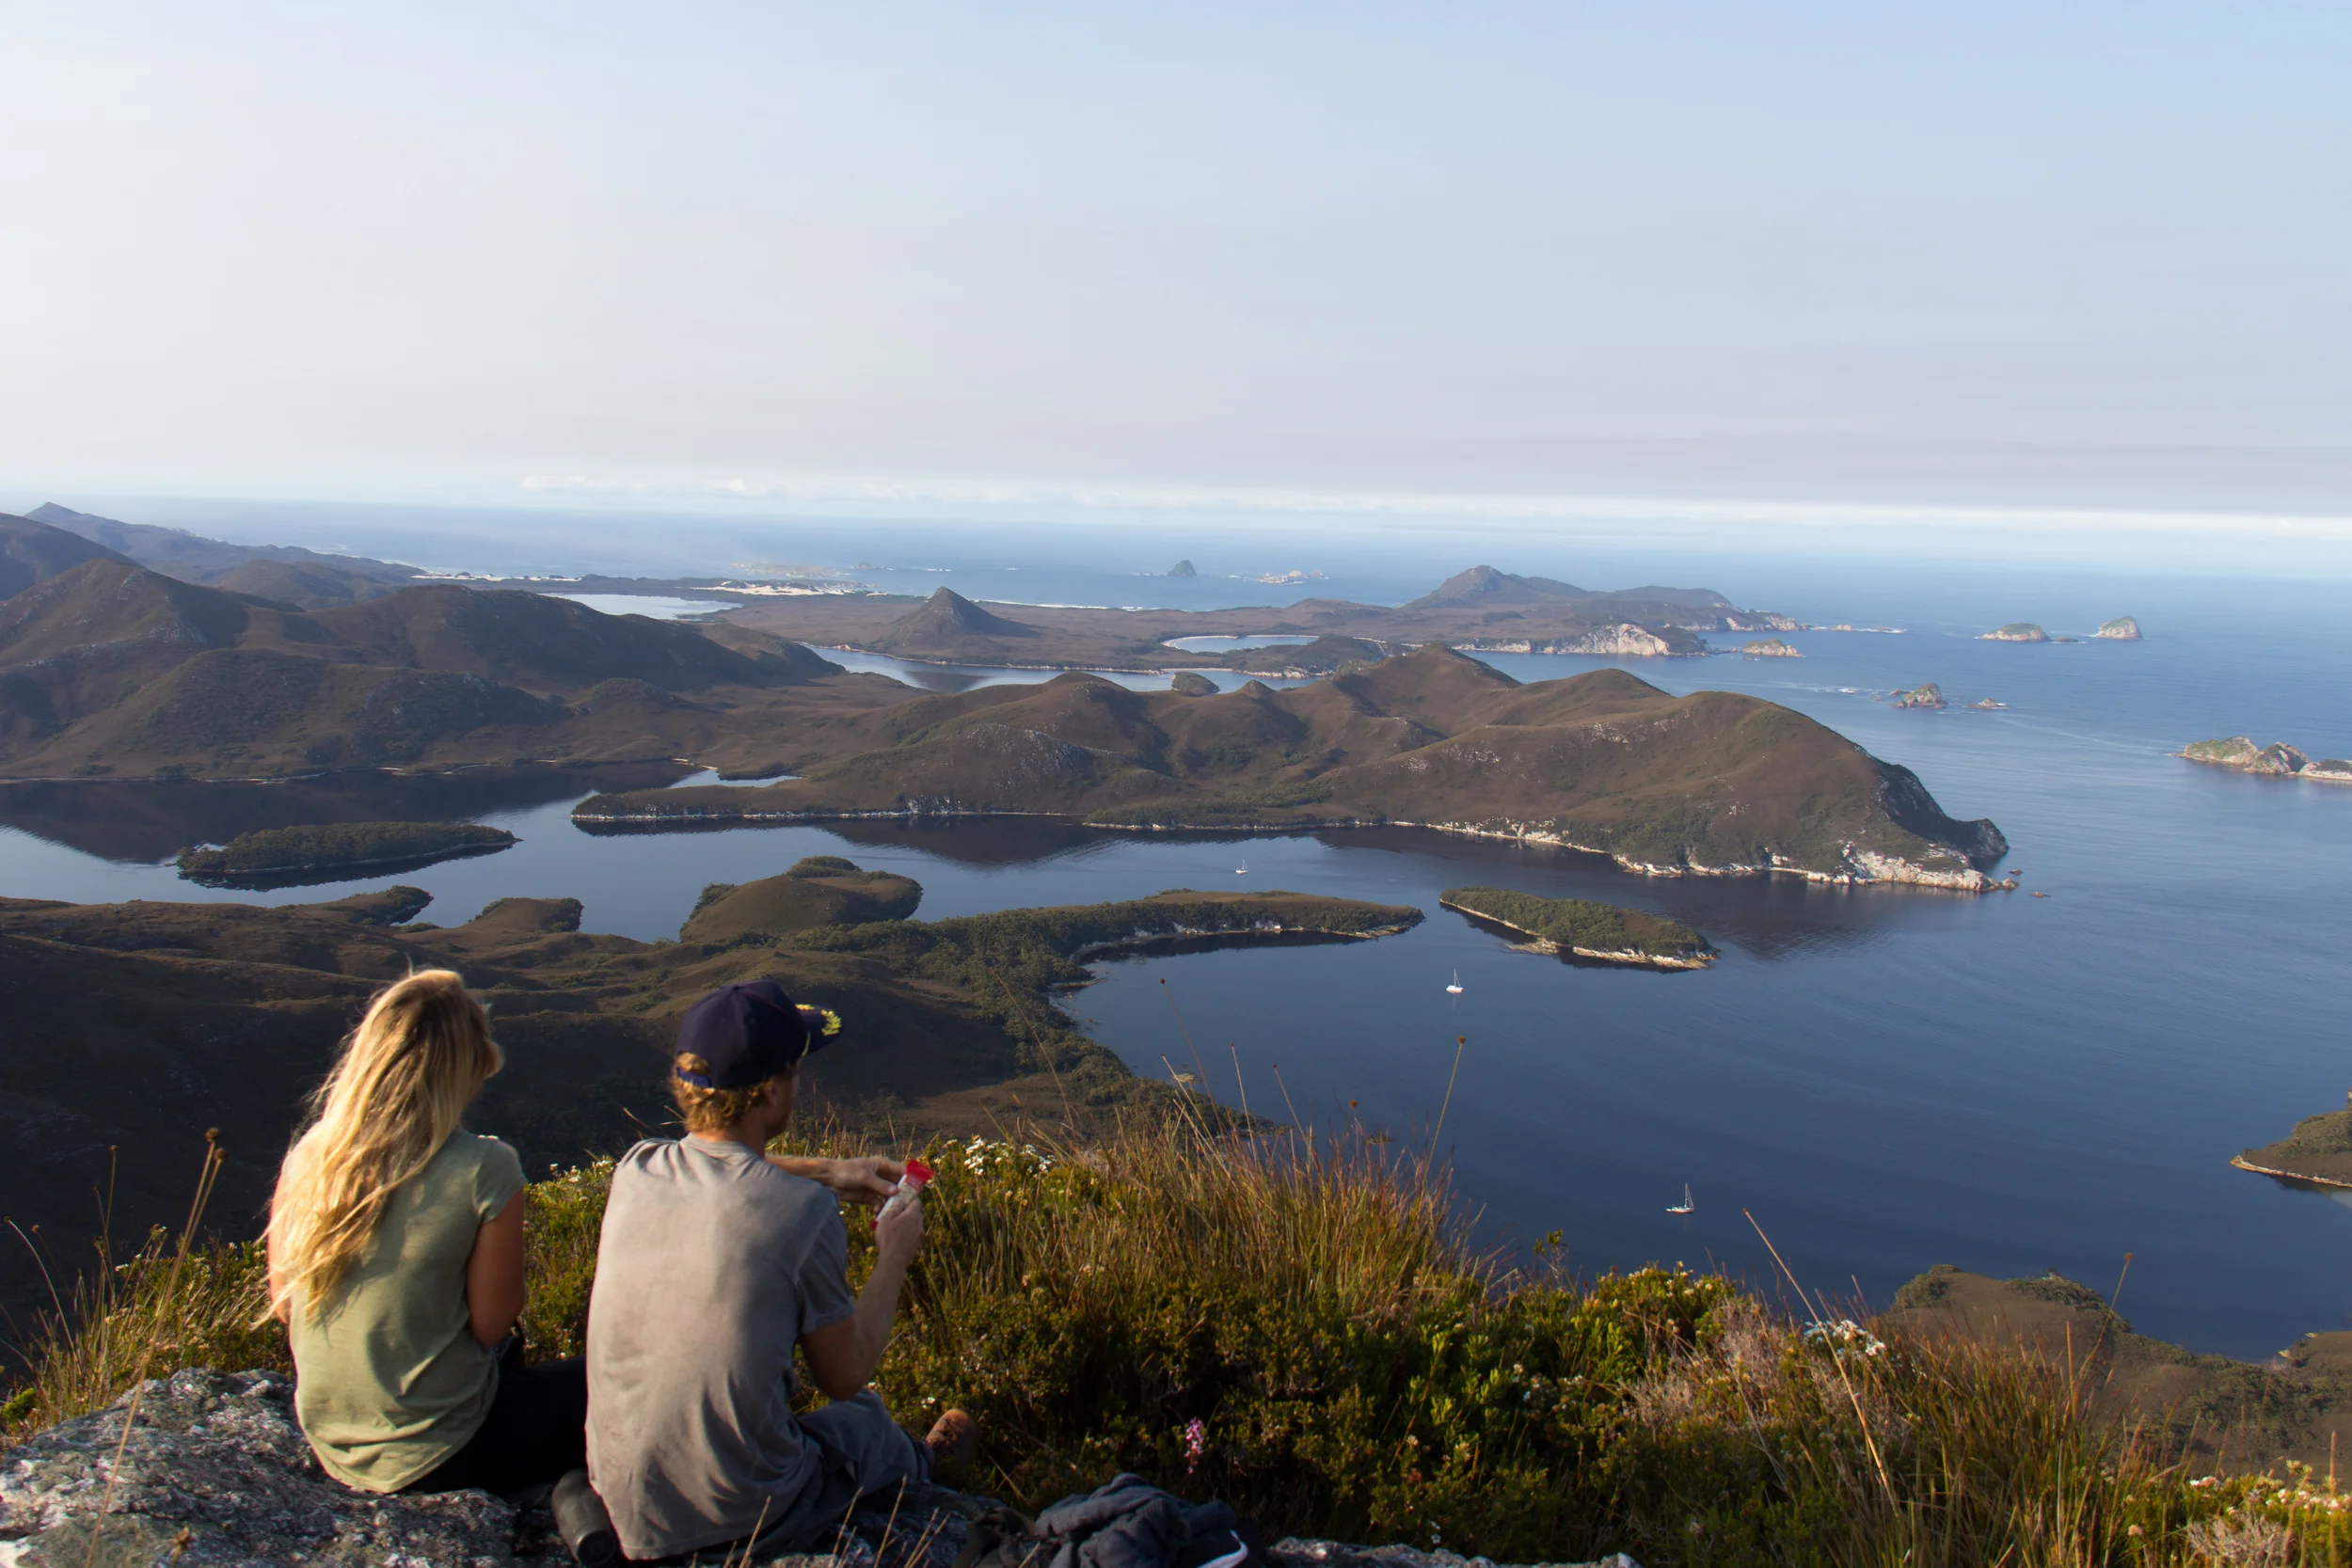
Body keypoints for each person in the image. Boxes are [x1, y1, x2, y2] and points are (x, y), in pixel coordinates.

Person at [585, 979, 977, 1562]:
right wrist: (894, 1254)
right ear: (771, 1092)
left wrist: (827, 1171)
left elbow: (720, 1167)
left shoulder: (636, 1168)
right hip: (736, 1512)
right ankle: (925, 1464)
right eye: (795, 1075)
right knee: (861, 1420)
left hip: (615, 1490)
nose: (800, 1085)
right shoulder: (801, 1214)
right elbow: (842, 1373)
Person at [266, 969, 586, 1496]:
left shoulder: (312, 1156)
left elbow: (285, 1304)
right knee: (623, 1378)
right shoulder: (484, 1167)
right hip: (444, 1449)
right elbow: (490, 1326)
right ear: (464, 1065)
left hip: (330, 1441)